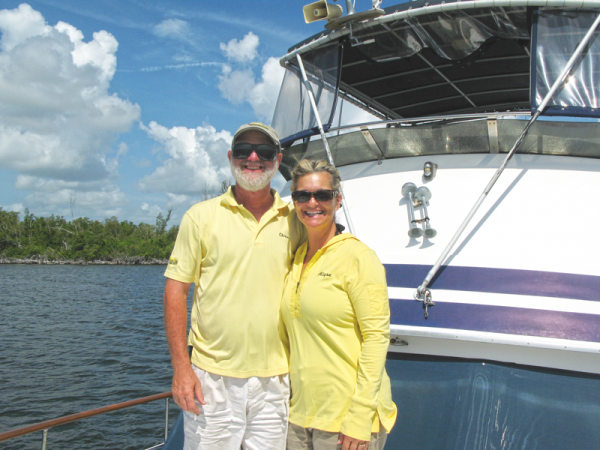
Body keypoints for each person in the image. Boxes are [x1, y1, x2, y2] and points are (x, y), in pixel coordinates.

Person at [163, 122, 305, 450]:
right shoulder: (200, 217)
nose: (253, 157)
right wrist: (181, 368)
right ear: (231, 157)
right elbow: (175, 291)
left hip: (276, 379)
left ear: (277, 159)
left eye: (264, 151)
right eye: (243, 151)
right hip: (210, 378)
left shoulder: (294, 218)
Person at [281, 159, 397, 450]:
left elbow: (376, 338)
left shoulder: (358, 257)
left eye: (322, 195)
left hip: (347, 421)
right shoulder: (296, 258)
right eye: (302, 195)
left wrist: (359, 417)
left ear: (338, 200)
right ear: (294, 201)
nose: (312, 202)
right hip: (299, 417)